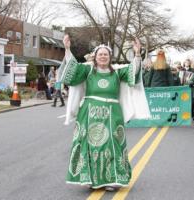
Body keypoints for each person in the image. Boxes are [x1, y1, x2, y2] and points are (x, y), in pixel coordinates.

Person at [60, 35, 150, 190]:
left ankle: (110, 180)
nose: (103, 57)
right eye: (100, 54)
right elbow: (73, 68)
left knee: (112, 144)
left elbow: (133, 74)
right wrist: (67, 49)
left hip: (112, 114)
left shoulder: (117, 72)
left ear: (110, 57)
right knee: (88, 145)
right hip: (88, 113)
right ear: (95, 57)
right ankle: (90, 179)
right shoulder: (87, 70)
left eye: (105, 54)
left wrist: (137, 54)